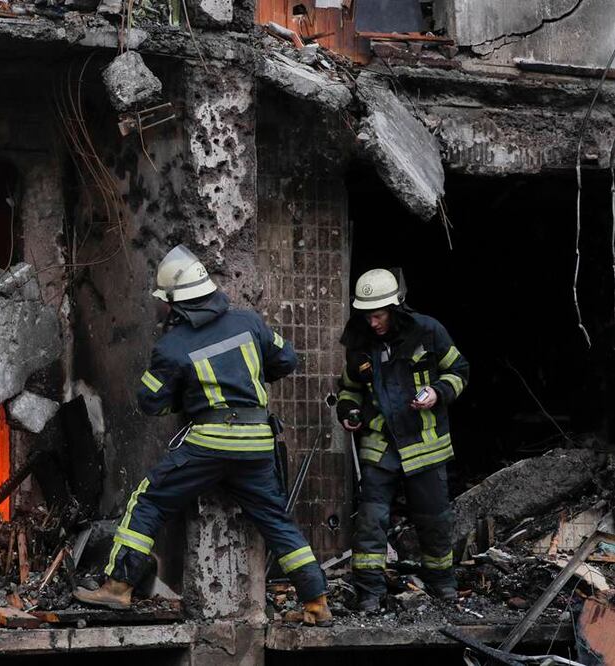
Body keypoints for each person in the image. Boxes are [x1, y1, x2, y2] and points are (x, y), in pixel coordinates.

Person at [73, 245, 332, 626]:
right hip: (258, 442)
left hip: (209, 444)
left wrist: (188, 396)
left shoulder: (172, 347)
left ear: (177, 305)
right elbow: (287, 359)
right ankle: (316, 602)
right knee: (276, 520)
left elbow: (150, 402)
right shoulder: (250, 323)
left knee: (148, 501)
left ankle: (117, 586)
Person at [335, 268, 469, 612]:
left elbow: (459, 371)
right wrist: (350, 412)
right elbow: (349, 390)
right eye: (366, 315)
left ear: (394, 309)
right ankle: (369, 593)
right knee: (371, 519)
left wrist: (438, 393)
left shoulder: (428, 331)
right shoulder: (359, 342)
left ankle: (442, 583)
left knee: (434, 518)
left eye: (378, 315)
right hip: (380, 443)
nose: (372, 322)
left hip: (425, 442)